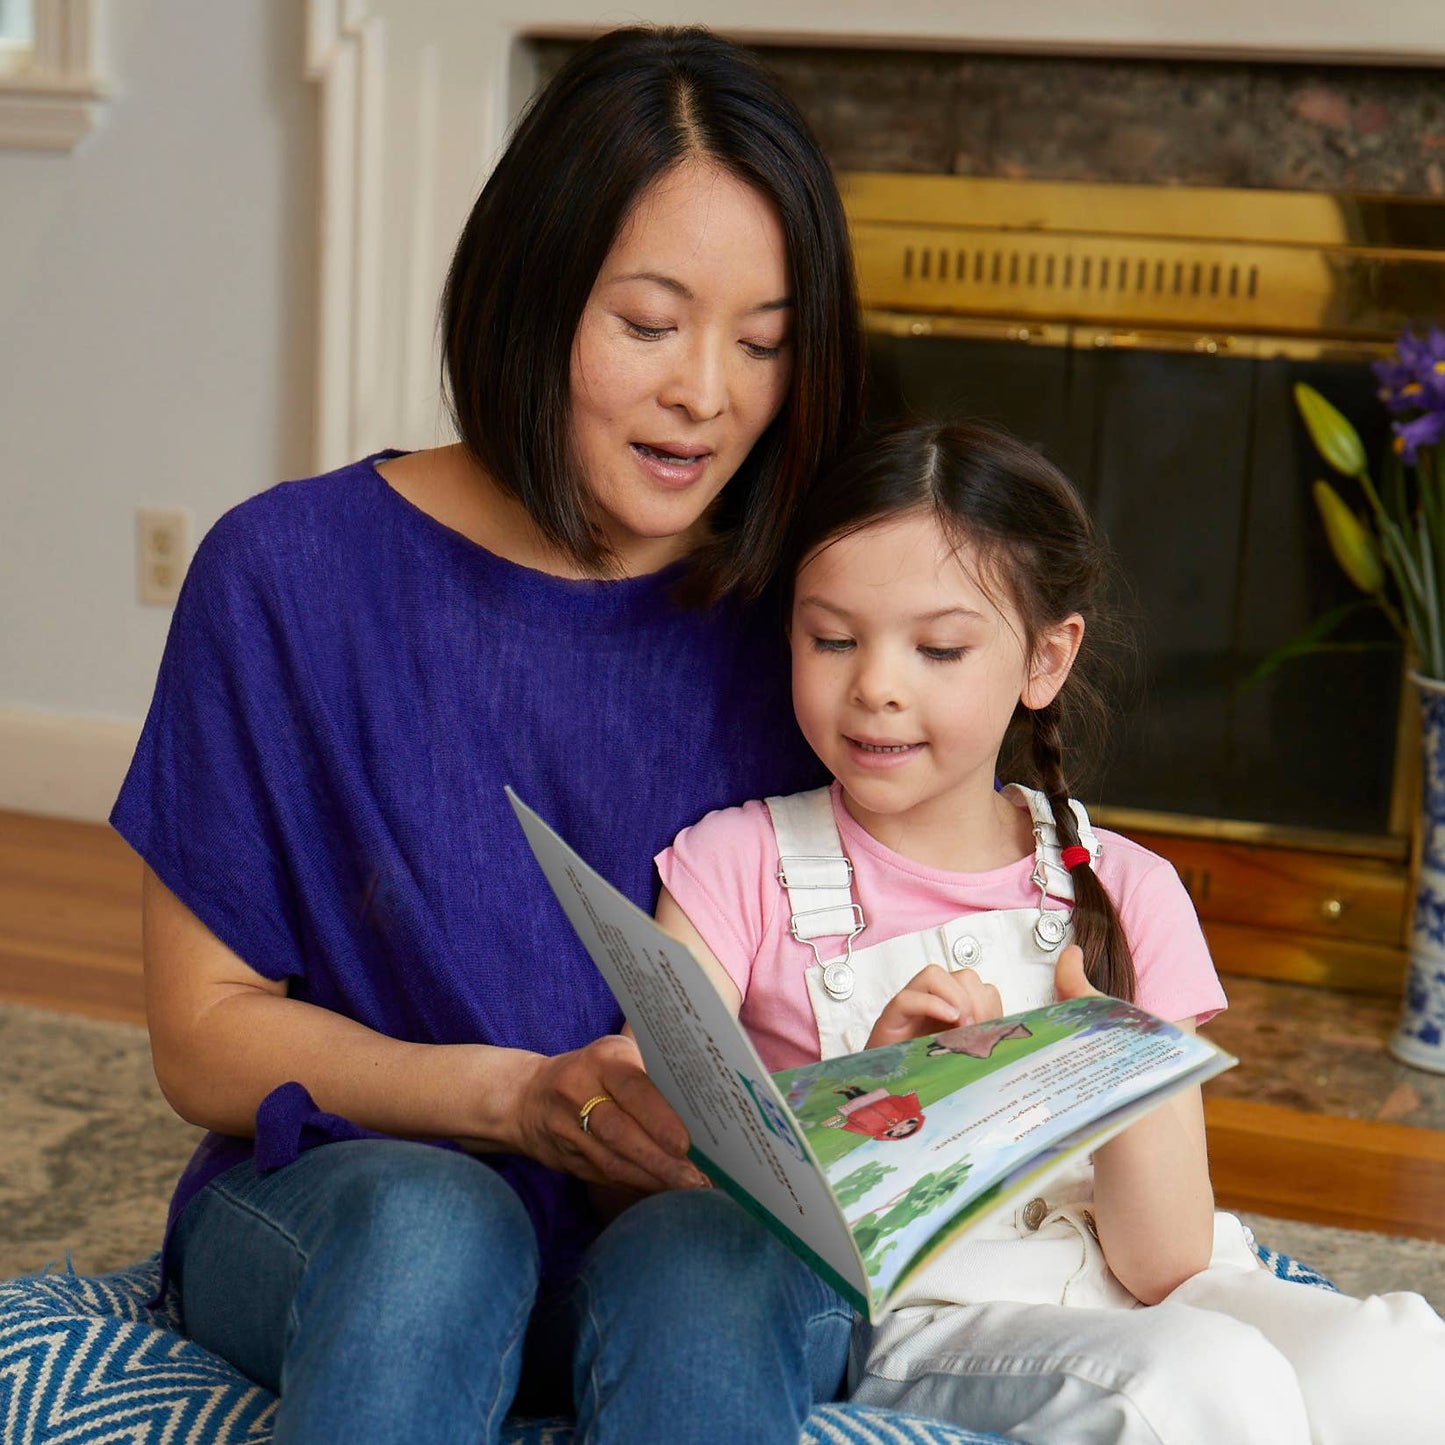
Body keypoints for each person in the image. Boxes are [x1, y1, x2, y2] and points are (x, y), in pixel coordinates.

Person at [111, 26, 867, 1445]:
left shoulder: (815, 617)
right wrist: (518, 1101)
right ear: (531, 296)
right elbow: (203, 1039)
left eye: (762, 343)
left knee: (707, 1282)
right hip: (353, 1195)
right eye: (649, 323)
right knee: (433, 1227)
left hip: (687, 1231)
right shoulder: (288, 573)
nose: (708, 394)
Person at [654, 419, 1445, 1445]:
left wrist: (1108, 1058)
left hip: (1145, 1282)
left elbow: (1163, 1259)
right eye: (831, 637)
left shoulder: (1129, 887)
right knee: (1201, 1385)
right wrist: (886, 1092)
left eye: (937, 647)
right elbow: (675, 1155)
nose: (876, 684)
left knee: (1401, 1362)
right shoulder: (734, 866)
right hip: (932, 1318)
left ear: (1043, 657)